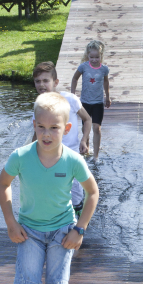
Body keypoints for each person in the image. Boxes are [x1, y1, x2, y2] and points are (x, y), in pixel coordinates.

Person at [0, 92, 99, 284]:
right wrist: (11, 222)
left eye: (54, 128)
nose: (47, 133)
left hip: (62, 232)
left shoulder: (73, 160)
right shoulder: (21, 157)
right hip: (29, 231)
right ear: (34, 125)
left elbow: (92, 193)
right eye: (41, 127)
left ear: (66, 129)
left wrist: (80, 229)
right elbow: (3, 184)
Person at [31, 61, 92, 214]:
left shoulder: (70, 99)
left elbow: (87, 119)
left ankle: (77, 226)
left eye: (46, 81)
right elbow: (36, 133)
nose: (41, 85)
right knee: (52, 192)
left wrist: (84, 139)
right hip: (49, 157)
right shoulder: (38, 106)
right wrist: (29, 155)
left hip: (71, 154)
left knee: (76, 195)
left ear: (55, 82)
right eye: (37, 81)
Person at [70, 40, 110, 161]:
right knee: (85, 128)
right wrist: (73, 94)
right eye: (91, 57)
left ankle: (96, 156)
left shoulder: (104, 69)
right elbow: (74, 78)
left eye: (97, 57)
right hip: (85, 102)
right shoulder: (83, 67)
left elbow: (106, 81)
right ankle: (86, 149)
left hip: (98, 102)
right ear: (88, 56)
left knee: (97, 128)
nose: (94, 60)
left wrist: (107, 96)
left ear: (101, 56)